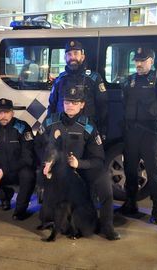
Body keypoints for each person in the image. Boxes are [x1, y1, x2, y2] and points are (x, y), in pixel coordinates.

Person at [39, 87, 120, 241]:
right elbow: (38, 145)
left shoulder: (88, 126)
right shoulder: (50, 121)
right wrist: (46, 163)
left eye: (75, 103)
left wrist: (79, 164)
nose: (70, 105)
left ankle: (107, 226)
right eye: (67, 101)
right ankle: (53, 220)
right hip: (57, 169)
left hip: (83, 167)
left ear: (82, 105)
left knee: (104, 184)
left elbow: (98, 159)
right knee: (46, 213)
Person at [117, 47, 157, 224]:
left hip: (150, 134)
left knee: (153, 173)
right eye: (137, 60)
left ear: (151, 61)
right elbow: (124, 103)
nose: (139, 64)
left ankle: (156, 210)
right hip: (132, 132)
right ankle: (131, 203)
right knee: (130, 171)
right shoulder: (129, 81)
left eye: (143, 60)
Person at [47, 40, 108, 136]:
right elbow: (52, 106)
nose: (72, 57)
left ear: (82, 57)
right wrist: (49, 128)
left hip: (86, 132)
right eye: (69, 54)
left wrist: (101, 131)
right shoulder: (60, 79)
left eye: (76, 53)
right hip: (62, 131)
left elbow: (103, 107)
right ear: (65, 57)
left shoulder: (94, 78)